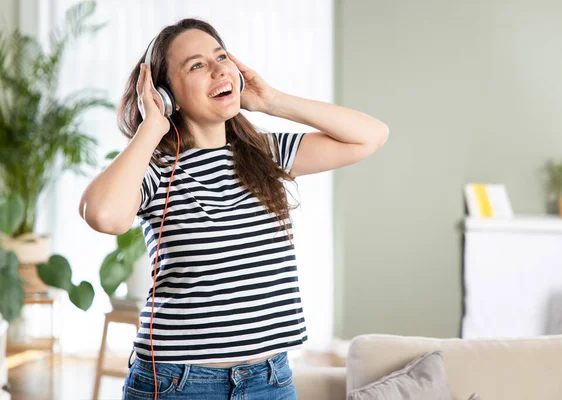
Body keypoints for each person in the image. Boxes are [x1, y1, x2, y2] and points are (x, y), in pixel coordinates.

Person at [79, 18, 388, 400]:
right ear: (166, 94)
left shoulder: (266, 153)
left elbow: (371, 136)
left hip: (270, 379)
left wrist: (272, 101)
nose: (218, 68)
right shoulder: (156, 169)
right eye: (196, 65)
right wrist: (151, 127)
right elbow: (103, 215)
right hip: (180, 383)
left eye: (220, 56)